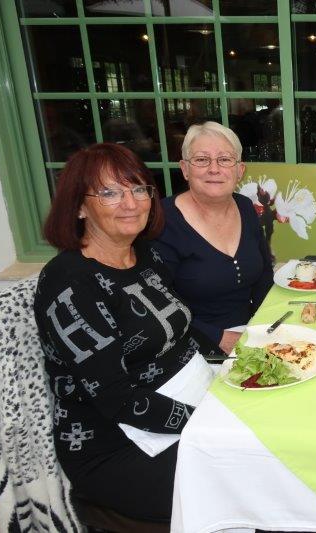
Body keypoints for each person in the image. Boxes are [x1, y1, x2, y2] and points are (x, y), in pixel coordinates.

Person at [33, 143, 222, 521]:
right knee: (246, 473)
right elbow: (117, 399)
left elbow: (178, 329)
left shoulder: (147, 254)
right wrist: (208, 422)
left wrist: (233, 360)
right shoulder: (70, 283)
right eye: (109, 193)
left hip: (187, 401)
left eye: (139, 189)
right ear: (79, 206)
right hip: (116, 445)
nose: (131, 203)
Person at [153, 122, 274, 354]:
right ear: (185, 169)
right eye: (201, 159)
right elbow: (158, 302)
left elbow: (264, 276)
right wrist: (218, 338)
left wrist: (266, 323)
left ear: (240, 170)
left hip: (250, 335)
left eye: (225, 159)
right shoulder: (163, 220)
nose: (214, 169)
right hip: (188, 345)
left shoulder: (245, 206)